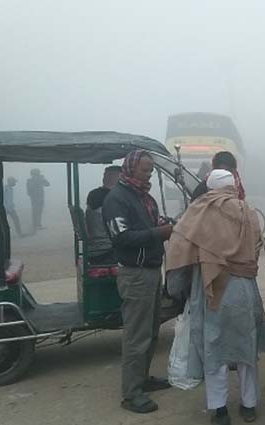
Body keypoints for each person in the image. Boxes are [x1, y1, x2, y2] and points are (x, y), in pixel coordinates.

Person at [166, 169, 265, 425]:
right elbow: (257, 246)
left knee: (213, 348)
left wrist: (178, 286)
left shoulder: (197, 211)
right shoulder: (246, 211)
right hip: (243, 289)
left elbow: (179, 247)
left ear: (209, 186)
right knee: (246, 345)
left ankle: (219, 410)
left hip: (210, 287)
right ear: (232, 185)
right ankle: (249, 405)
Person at [102, 150, 174, 414]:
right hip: (135, 274)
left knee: (151, 331)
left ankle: (142, 379)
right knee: (137, 336)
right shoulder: (117, 199)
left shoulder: (143, 196)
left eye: (151, 169)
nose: (149, 173)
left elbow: (147, 225)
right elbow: (122, 238)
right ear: (131, 169)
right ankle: (131, 394)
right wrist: (160, 233)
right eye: (145, 169)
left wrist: (161, 224)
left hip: (151, 271)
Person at [85, 165, 121, 264]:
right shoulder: (114, 197)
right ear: (117, 177)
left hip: (94, 247)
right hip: (106, 250)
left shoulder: (93, 194)